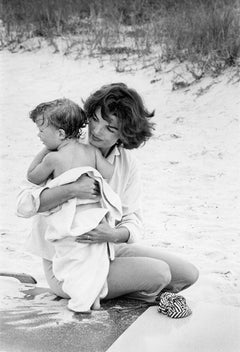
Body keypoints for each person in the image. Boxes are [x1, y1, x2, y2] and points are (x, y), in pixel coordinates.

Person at [17, 83, 198, 313]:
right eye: (94, 118)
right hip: (69, 261)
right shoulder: (64, 144)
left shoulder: (126, 163)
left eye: (110, 128)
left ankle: (123, 287)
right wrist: (71, 189)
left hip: (106, 247)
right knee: (160, 273)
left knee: (187, 274)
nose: (97, 130)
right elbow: (24, 202)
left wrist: (113, 234)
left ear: (125, 134)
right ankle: (110, 288)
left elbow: (132, 218)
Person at [25, 98, 122, 312]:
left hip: (68, 221)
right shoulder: (92, 152)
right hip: (90, 218)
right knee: (89, 261)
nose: (38, 135)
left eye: (42, 131)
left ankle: (81, 296)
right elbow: (108, 174)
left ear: (60, 134)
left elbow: (32, 177)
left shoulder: (54, 158)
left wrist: (45, 151)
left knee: (70, 259)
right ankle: (92, 294)